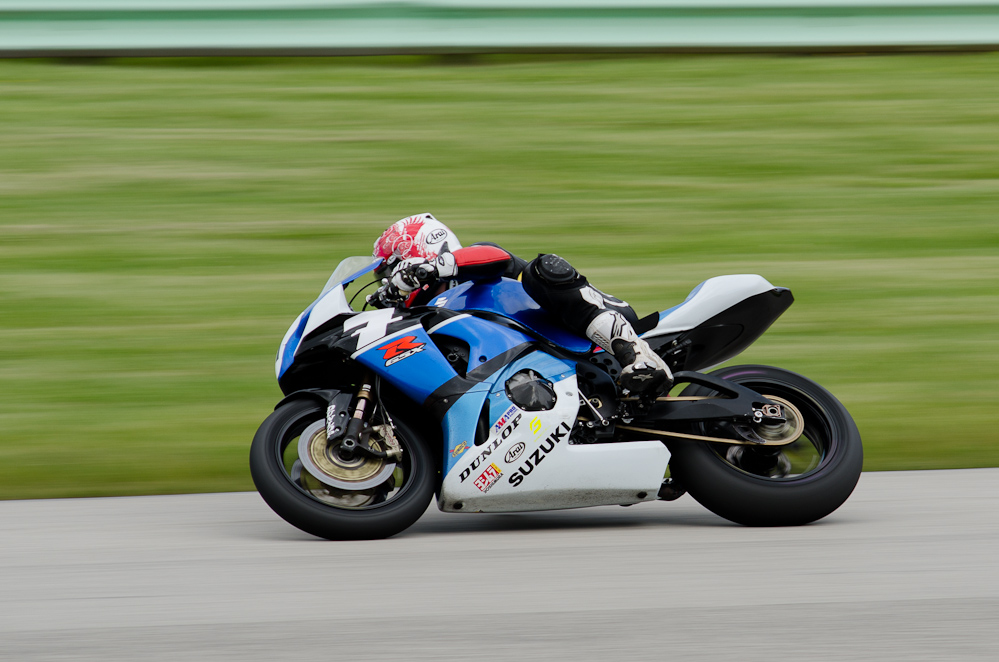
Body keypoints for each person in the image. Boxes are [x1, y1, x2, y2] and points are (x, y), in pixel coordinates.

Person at [368, 213, 672, 396]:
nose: (388, 282)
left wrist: (430, 269)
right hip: (547, 368)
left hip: (592, 332)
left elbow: (495, 257)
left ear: (411, 256)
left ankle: (636, 354)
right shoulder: (435, 312)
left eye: (388, 271)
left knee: (541, 270)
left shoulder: (473, 265)